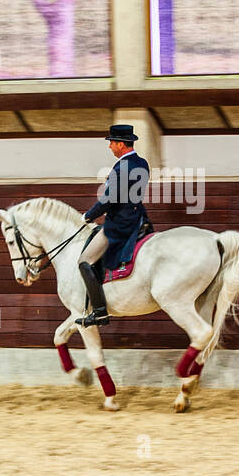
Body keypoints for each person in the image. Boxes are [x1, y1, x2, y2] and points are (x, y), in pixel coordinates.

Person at [76, 124, 152, 328]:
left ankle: (99, 312)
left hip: (120, 223)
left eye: (111, 142)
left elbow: (110, 199)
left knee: (84, 261)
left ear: (120, 144)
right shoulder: (142, 163)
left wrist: (88, 216)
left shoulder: (122, 167)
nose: (110, 146)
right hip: (138, 218)